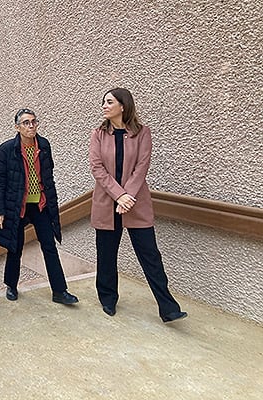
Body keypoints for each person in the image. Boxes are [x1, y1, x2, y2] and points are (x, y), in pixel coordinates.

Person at [89, 88, 188, 323]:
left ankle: (168, 307)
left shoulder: (142, 133)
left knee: (150, 255)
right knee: (106, 256)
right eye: (103, 102)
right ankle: (108, 298)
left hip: (135, 204)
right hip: (107, 203)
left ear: (123, 106)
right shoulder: (98, 134)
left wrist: (127, 197)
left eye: (109, 102)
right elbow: (97, 168)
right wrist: (118, 196)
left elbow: (142, 167)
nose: (104, 105)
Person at [0, 108, 79, 305]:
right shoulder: (7, 149)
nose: (31, 126)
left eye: (33, 122)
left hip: (40, 205)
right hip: (17, 205)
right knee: (15, 246)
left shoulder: (44, 145)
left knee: (49, 245)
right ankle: (11, 285)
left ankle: (60, 291)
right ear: (17, 127)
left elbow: (48, 176)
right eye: (26, 123)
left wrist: (51, 202)